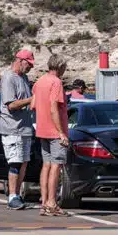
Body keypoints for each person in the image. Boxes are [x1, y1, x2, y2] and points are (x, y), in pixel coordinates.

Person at [33, 54, 70, 216]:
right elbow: (54, 108)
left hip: (41, 129)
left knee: (46, 164)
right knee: (56, 165)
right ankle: (52, 202)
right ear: (60, 66)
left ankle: (44, 201)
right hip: (54, 131)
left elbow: (33, 105)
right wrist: (61, 132)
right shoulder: (56, 83)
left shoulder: (39, 82)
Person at [0, 49, 36, 210]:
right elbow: (11, 105)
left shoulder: (24, 78)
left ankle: (17, 194)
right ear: (20, 61)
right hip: (12, 128)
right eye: (29, 64)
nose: (30, 68)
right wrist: (31, 99)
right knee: (15, 162)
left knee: (24, 163)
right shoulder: (8, 78)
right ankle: (12, 195)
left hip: (25, 128)